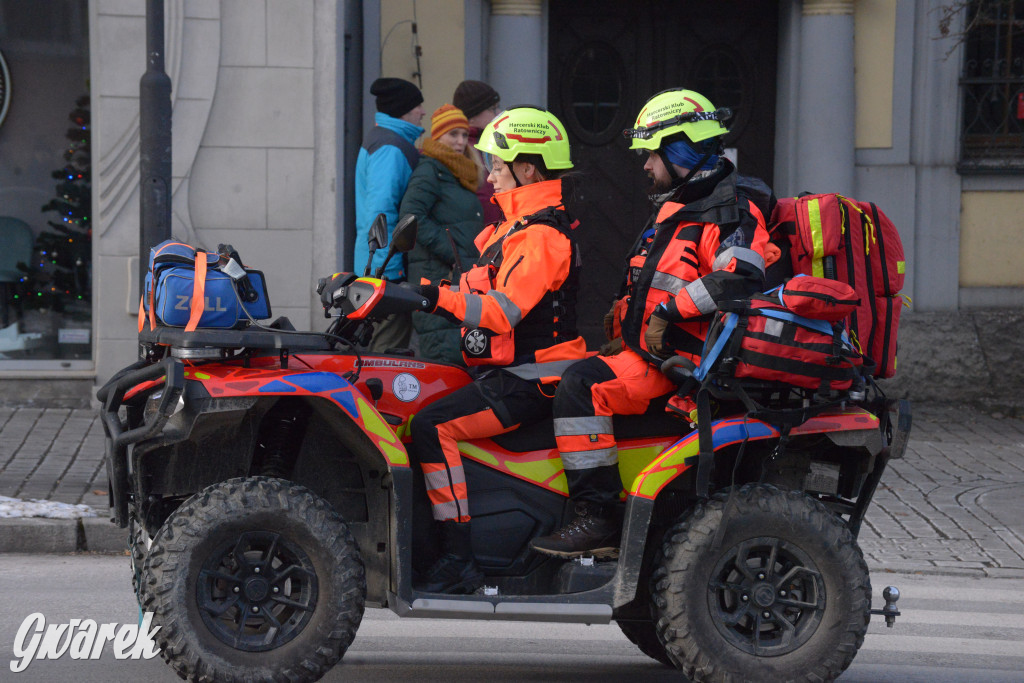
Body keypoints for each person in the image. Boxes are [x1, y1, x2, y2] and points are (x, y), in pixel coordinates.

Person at [530, 88, 775, 559]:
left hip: (677, 364)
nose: (644, 164)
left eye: (651, 152)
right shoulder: (684, 202)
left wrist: (668, 312)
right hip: (645, 352)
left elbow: (738, 279)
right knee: (564, 372)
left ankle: (598, 517)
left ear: (681, 148)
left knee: (579, 386)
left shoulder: (731, 210)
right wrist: (624, 322)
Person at [406, 107, 587, 593]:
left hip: (535, 380)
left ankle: (457, 556)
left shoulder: (542, 236)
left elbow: (501, 312)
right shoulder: (508, 231)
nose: (490, 175)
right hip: (507, 372)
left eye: (500, 166)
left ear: (529, 168)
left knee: (430, 424)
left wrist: (432, 298)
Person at [399, 104, 483, 364]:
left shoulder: (457, 172)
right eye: (452, 135)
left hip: (458, 276)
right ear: (438, 137)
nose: (460, 142)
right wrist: (454, 253)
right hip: (440, 277)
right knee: (445, 359)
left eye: (463, 135)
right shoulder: (430, 171)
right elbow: (411, 217)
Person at [354, 77, 426, 352]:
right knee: (386, 353)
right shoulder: (392, 148)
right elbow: (381, 213)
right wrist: (388, 271)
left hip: (378, 265)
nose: (422, 112)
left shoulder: (384, 140)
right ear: (402, 110)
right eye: (417, 106)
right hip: (386, 269)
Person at [453, 80, 502, 226]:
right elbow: (484, 199)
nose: (498, 113)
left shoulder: (488, 144)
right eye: (493, 109)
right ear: (472, 117)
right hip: (483, 236)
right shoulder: (464, 150)